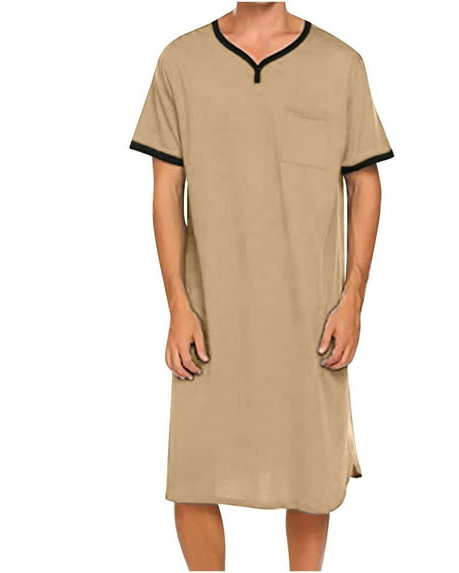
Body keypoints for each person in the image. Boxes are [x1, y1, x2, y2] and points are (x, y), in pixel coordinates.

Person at [128, 2, 394, 570]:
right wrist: (178, 305)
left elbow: (365, 184)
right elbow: (165, 191)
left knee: (310, 473)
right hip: (210, 313)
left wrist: (352, 300)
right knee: (194, 472)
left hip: (309, 313)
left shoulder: (340, 63)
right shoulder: (181, 60)